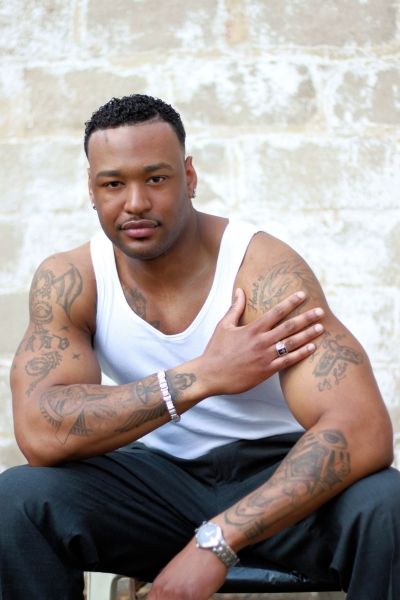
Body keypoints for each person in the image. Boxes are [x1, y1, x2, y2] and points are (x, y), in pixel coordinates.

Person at [0, 93, 398, 600]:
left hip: (275, 475)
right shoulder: (73, 278)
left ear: (189, 177)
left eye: (156, 178)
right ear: (92, 189)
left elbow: (363, 428)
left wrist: (217, 540)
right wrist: (204, 375)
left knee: (387, 505)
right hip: (153, 488)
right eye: (114, 183)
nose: (135, 203)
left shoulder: (260, 268)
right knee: (18, 499)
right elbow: (41, 434)